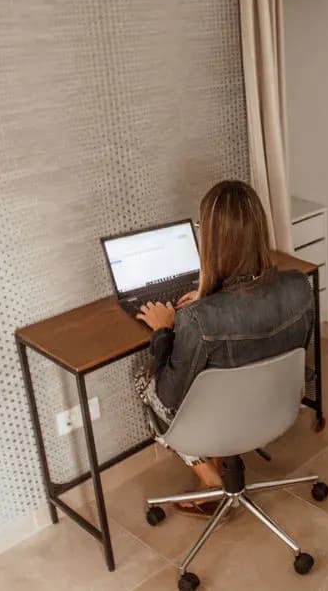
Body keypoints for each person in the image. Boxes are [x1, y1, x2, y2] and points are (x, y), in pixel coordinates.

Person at [134, 180, 314, 517]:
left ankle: (210, 479)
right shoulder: (299, 286)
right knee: (210, 368)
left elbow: (169, 396)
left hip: (225, 419)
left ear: (211, 239)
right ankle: (219, 461)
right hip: (275, 408)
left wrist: (163, 332)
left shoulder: (197, 320)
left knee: (145, 378)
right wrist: (210, 297)